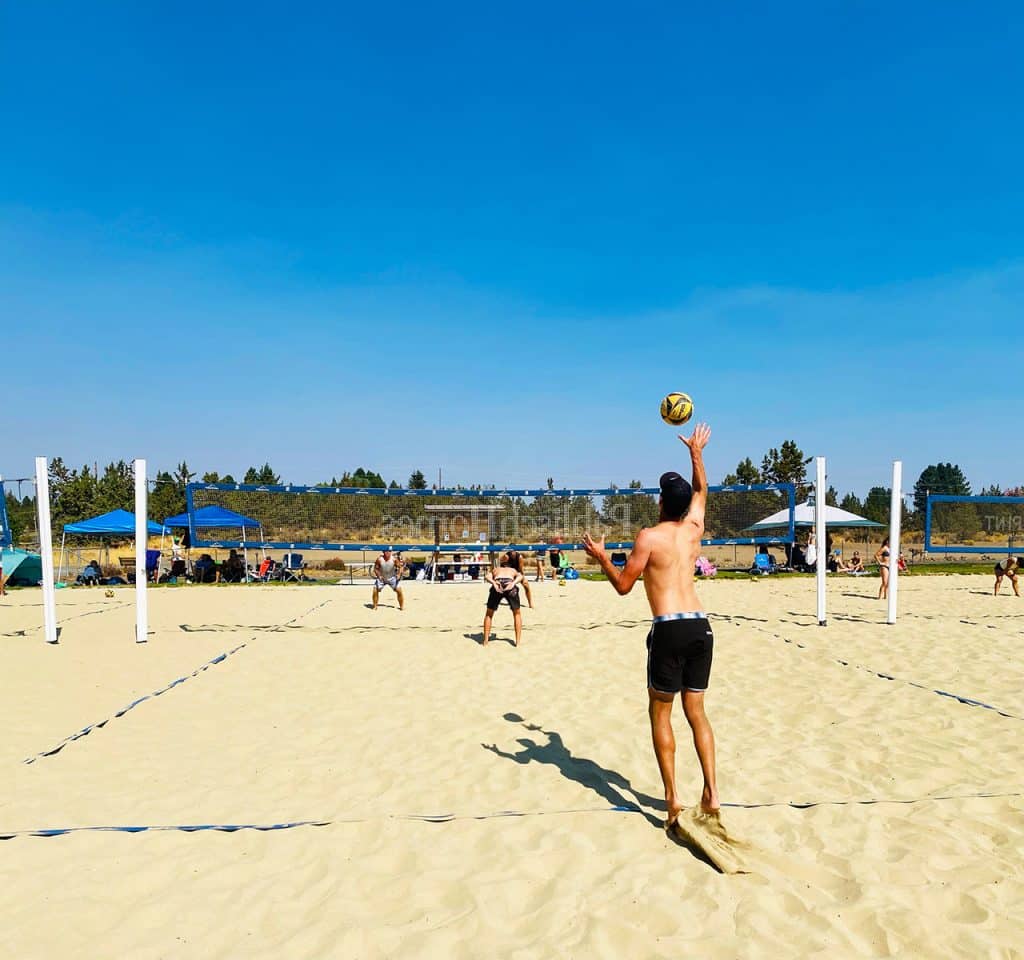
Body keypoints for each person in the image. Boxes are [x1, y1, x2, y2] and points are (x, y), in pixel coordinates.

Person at [582, 423, 718, 825]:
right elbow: (702, 491)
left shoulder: (648, 537)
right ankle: (711, 793)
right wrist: (696, 453)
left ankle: (673, 800)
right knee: (698, 713)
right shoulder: (694, 530)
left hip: (670, 628)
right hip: (701, 626)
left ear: (661, 503)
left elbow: (624, 586)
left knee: (661, 713)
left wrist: (603, 557)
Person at [483, 552, 525, 646]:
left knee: (489, 614)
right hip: (509, 582)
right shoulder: (513, 570)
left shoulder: (496, 569)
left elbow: (487, 576)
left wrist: (494, 583)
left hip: (498, 582)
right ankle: (518, 642)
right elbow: (520, 576)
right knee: (517, 614)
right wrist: (513, 583)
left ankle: (485, 641)